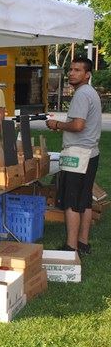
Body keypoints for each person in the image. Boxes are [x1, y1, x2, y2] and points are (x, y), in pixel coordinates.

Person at [46, 57, 101, 257]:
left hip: (78, 153)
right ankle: (83, 243)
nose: (71, 73)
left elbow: (78, 126)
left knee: (71, 202)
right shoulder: (90, 92)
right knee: (84, 200)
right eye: (70, 69)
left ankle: (71, 248)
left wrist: (57, 125)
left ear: (87, 75)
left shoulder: (81, 94)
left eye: (77, 70)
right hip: (91, 152)